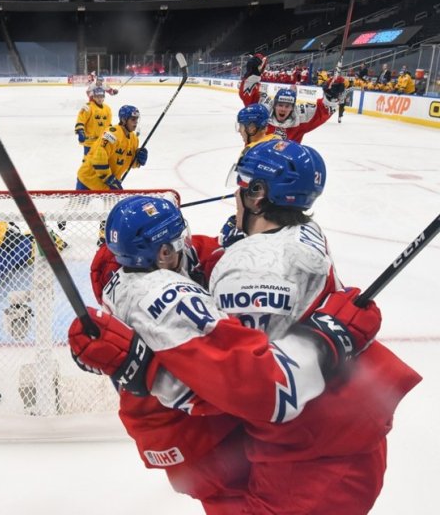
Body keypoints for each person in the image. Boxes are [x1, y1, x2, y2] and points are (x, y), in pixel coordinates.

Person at [70, 144, 421, 513]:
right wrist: (329, 337)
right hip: (307, 444)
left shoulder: (240, 270)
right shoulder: (292, 238)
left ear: (257, 194)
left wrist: (139, 365)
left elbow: (259, 388)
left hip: (308, 454)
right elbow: (260, 384)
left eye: (241, 184)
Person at [239, 54, 344, 142]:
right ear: (274, 104)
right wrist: (252, 75)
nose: (283, 109)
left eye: (287, 106)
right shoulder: (263, 111)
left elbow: (322, 112)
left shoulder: (301, 119)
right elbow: (249, 97)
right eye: (280, 105)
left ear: (293, 107)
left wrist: (332, 97)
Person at [75, 104, 148, 192]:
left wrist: (138, 161)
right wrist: (110, 180)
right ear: (123, 120)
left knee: (113, 206)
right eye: (133, 119)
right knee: (79, 206)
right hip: (89, 180)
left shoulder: (134, 139)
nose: (135, 122)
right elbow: (98, 159)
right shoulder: (112, 134)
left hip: (107, 185)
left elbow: (126, 161)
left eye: (137, 119)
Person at [74, 86, 112, 156]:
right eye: (97, 96)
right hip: (89, 142)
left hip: (102, 142)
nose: (99, 99)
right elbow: (81, 120)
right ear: (93, 97)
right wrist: (80, 131)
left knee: (100, 162)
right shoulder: (88, 107)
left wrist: (111, 136)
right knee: (88, 162)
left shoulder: (107, 109)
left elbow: (108, 125)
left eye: (101, 96)